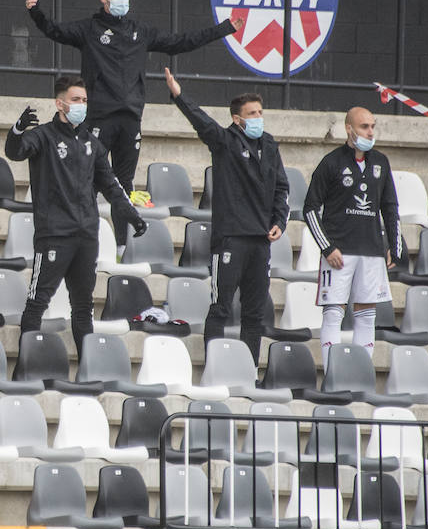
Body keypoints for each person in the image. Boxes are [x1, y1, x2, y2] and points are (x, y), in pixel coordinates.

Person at [25, 0, 240, 250]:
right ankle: (82, 241)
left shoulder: (140, 31)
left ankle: (120, 248)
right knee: (86, 180)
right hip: (99, 118)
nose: (122, 1)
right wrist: (36, 11)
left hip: (130, 120)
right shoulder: (89, 29)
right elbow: (54, 31)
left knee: (123, 185)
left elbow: (181, 42)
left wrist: (224, 29)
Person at [6, 76, 148, 356]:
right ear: (60, 103)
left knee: (83, 308)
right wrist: (17, 129)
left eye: (84, 100)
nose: (81, 105)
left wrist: (132, 216)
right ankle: (27, 364)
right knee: (38, 302)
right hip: (54, 236)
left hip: (86, 237)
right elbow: (15, 152)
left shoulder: (91, 143)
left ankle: (88, 366)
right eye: (75, 100)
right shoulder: (43, 136)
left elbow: (111, 185)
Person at [164, 67, 289, 363]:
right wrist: (179, 96)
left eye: (260, 112)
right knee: (221, 307)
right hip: (231, 240)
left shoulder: (270, 145)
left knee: (254, 313)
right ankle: (215, 367)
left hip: (261, 241)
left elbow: (281, 187)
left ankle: (247, 370)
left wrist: (280, 221)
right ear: (237, 119)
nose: (258, 118)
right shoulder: (225, 142)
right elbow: (202, 122)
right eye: (252, 113)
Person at [302, 106, 402, 368]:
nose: (370, 132)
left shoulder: (381, 162)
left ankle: (362, 374)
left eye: (372, 126)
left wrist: (393, 244)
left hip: (371, 251)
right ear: (349, 129)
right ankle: (333, 374)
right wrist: (327, 247)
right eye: (364, 127)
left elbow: (390, 206)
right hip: (339, 253)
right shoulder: (331, 162)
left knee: (367, 315)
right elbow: (310, 208)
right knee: (334, 313)